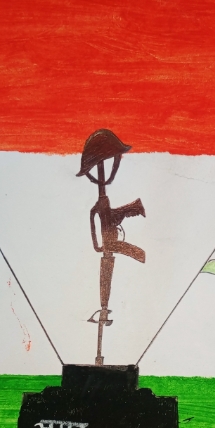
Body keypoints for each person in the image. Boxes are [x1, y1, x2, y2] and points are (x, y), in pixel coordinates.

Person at [77, 129, 146, 365]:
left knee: (131, 254)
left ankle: (104, 308)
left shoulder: (100, 205)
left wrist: (102, 244)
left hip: (109, 245)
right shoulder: (98, 205)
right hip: (108, 247)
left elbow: (96, 228)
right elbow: (94, 229)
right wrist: (101, 246)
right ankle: (104, 309)